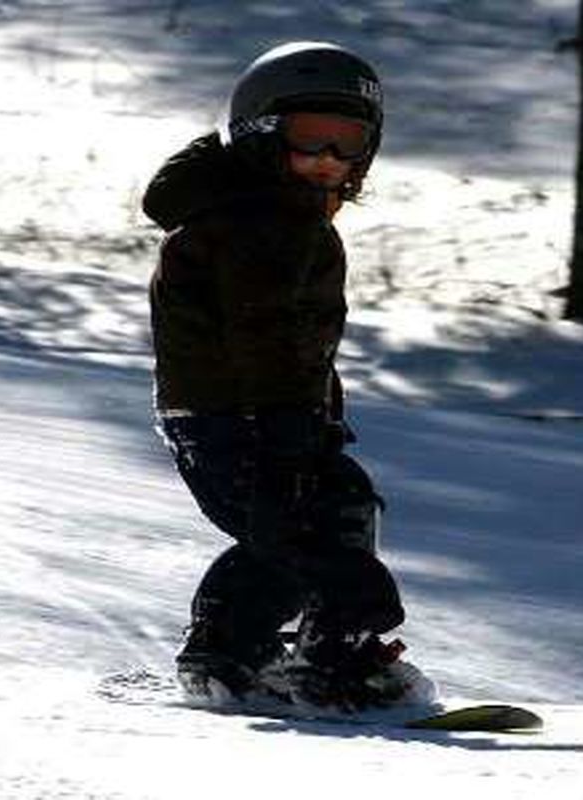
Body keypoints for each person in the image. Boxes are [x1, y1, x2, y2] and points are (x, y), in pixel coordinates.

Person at [143, 41, 429, 711]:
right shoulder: (260, 218)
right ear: (260, 133)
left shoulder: (269, 209)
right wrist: (289, 431)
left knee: (290, 526)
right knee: (323, 523)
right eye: (310, 138)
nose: (329, 159)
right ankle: (335, 663)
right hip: (243, 413)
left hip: (233, 411)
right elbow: (264, 330)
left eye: (348, 141)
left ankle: (228, 651)